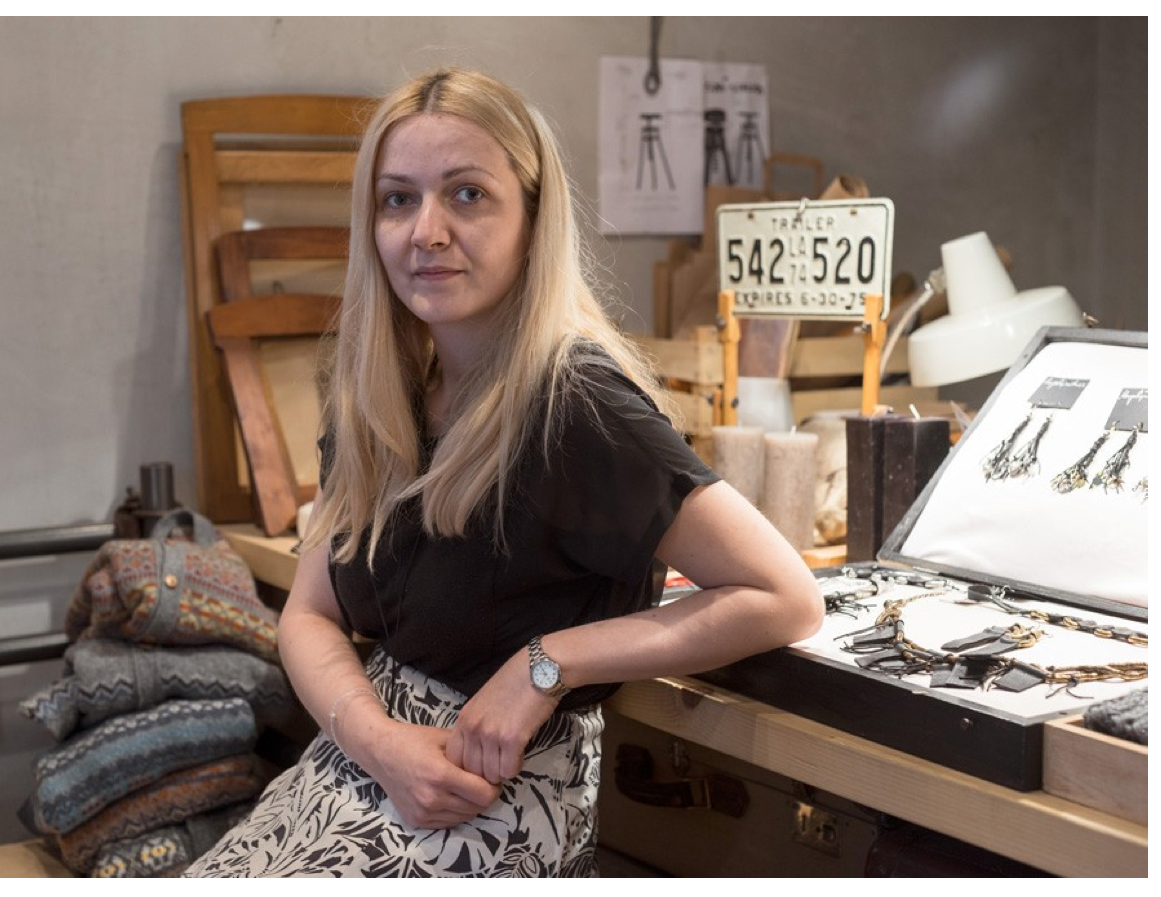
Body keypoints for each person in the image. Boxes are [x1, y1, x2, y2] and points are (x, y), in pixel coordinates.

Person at [185, 67, 823, 878]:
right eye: (397, 199)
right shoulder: (380, 393)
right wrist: (378, 741)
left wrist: (544, 664)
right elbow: (308, 612)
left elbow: (783, 595)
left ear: (532, 215)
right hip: (365, 764)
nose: (426, 230)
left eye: (467, 194)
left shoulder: (576, 406)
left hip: (488, 798)